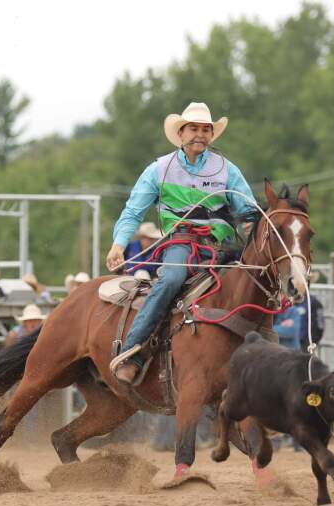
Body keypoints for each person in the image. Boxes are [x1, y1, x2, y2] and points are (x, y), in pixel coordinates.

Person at [105, 102, 260, 383]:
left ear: (211, 135)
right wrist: (118, 244)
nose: (200, 134)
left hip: (222, 247)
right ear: (181, 133)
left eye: (206, 129)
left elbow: (248, 210)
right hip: (182, 244)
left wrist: (251, 224)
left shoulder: (227, 170)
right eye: (193, 128)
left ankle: (262, 355)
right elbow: (133, 211)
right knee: (171, 279)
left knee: (252, 283)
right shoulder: (159, 169)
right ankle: (133, 350)